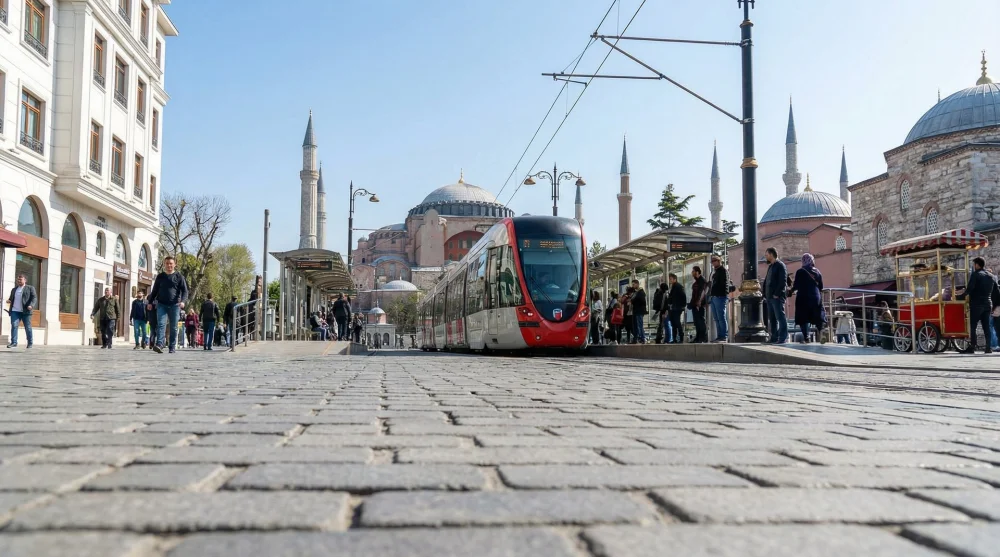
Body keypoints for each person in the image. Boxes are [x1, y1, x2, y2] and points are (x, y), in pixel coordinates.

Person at [147, 255, 189, 354]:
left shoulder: (179, 277)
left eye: (171, 263)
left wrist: (182, 301)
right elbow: (155, 290)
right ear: (164, 264)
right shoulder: (160, 276)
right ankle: (160, 344)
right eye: (167, 263)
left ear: (175, 264)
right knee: (161, 325)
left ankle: (172, 346)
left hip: (175, 305)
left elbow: (185, 291)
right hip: (161, 304)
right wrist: (150, 302)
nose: (169, 265)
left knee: (173, 327)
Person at [789, 253, 825, 343]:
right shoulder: (817, 272)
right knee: (817, 316)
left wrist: (790, 290)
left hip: (803, 298)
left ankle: (807, 337)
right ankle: (821, 333)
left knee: (803, 318)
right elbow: (821, 286)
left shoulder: (800, 271)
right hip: (816, 297)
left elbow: (796, 286)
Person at [963, 257, 995, 354]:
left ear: (977, 265)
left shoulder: (976, 275)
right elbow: (994, 292)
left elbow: (969, 289)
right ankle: (988, 348)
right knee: (986, 326)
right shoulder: (991, 276)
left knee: (973, 326)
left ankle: (972, 346)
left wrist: (960, 296)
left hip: (977, 304)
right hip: (988, 304)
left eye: (974, 264)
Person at [763, 247, 789, 344]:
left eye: (766, 254)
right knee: (772, 319)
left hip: (776, 297)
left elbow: (783, 281)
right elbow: (767, 280)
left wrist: (777, 294)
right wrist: (765, 293)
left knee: (780, 317)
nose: (765, 256)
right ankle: (774, 337)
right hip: (769, 297)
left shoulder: (780, 265)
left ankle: (782, 337)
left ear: (771, 254)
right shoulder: (771, 266)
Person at [6, 274, 38, 349]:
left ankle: (30, 343)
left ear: (25, 280)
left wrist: (31, 305)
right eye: (18, 279)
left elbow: (34, 298)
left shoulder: (30, 288)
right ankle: (14, 342)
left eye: (21, 279)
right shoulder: (14, 289)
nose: (19, 281)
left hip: (26, 311)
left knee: (28, 327)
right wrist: (9, 300)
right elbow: (11, 298)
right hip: (15, 311)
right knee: (14, 325)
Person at [709, 255, 729, 343]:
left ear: (719, 261)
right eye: (712, 261)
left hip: (720, 297)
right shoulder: (715, 272)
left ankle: (724, 336)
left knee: (721, 317)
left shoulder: (723, 271)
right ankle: (719, 335)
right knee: (716, 318)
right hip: (714, 297)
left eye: (714, 261)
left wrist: (721, 294)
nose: (713, 263)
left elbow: (725, 285)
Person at [690, 266, 708, 343]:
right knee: (696, 322)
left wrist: (699, 302)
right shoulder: (696, 282)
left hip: (700, 305)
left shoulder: (702, 281)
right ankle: (698, 337)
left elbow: (703, 292)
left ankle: (703, 337)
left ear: (697, 272)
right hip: (695, 305)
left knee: (701, 321)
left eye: (693, 271)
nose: (692, 273)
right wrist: (691, 303)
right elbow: (694, 294)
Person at [667, 273, 687, 343]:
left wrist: (682, 306)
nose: (670, 280)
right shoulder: (672, 287)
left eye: (671, 279)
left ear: (675, 279)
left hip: (677, 308)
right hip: (673, 308)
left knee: (677, 322)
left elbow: (683, 296)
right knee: (673, 323)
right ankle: (674, 338)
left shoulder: (678, 286)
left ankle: (681, 337)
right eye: (669, 279)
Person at [630, 280, 648, 344]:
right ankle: (636, 338)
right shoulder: (635, 292)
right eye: (632, 284)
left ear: (637, 284)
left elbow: (642, 301)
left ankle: (642, 338)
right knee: (635, 325)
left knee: (640, 325)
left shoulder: (641, 292)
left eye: (634, 284)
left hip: (639, 311)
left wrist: (634, 300)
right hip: (635, 311)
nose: (633, 286)